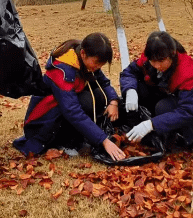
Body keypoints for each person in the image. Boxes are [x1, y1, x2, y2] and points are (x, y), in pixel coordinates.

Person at [13, 32, 126, 161]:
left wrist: (113, 101)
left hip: (62, 112)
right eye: (96, 63)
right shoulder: (62, 71)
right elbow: (72, 111)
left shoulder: (84, 58)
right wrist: (104, 141)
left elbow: (103, 82)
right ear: (83, 53)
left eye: (102, 64)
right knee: (86, 102)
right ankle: (66, 142)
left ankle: (81, 138)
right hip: (44, 122)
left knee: (100, 95)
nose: (98, 67)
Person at [120, 31, 193, 151]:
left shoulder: (188, 71)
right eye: (153, 61)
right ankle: (153, 130)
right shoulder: (150, 58)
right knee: (139, 88)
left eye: (161, 61)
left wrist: (151, 124)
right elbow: (129, 73)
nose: (156, 66)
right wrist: (130, 91)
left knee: (163, 108)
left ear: (172, 54)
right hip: (168, 93)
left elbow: (187, 111)